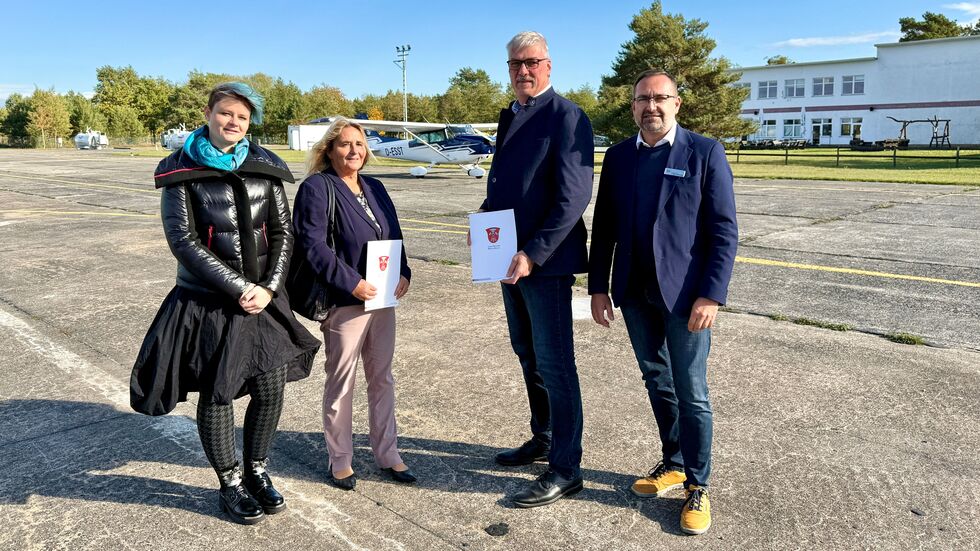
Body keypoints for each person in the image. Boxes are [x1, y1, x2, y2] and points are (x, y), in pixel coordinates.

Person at [131, 82, 321, 525]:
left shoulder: (266, 165)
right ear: (209, 113)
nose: (234, 123)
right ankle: (230, 481)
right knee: (219, 394)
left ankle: (257, 470)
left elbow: (282, 232)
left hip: (265, 300)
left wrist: (271, 287)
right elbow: (184, 240)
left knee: (270, 387)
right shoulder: (179, 169)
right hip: (211, 302)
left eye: (243, 117)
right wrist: (238, 287)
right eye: (226, 114)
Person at [588, 69, 738, 535]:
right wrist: (597, 287)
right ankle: (672, 461)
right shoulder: (617, 157)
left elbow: (723, 231)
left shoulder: (705, 151)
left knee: (691, 388)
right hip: (634, 292)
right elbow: (606, 228)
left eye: (660, 98)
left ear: (676, 104)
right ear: (632, 107)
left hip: (686, 296)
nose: (650, 107)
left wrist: (711, 294)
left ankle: (698, 484)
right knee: (656, 379)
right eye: (642, 100)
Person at [474, 31, 594, 508]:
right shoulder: (512, 115)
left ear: (548, 66)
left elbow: (572, 198)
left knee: (555, 363)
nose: (523, 70)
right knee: (526, 352)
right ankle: (543, 437)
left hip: (542, 264)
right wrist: (482, 219)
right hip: (506, 257)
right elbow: (504, 185)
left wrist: (534, 253)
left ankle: (566, 468)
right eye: (515, 64)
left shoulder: (567, 117)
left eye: (532, 62)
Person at [292, 118, 414, 491]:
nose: (354, 151)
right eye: (345, 144)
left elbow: (393, 232)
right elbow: (313, 247)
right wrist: (353, 283)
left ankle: (387, 453)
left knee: (382, 378)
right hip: (346, 301)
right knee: (342, 380)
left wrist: (404, 270)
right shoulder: (317, 187)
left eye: (359, 145)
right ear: (328, 150)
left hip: (382, 299)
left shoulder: (375, 186)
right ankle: (340, 458)